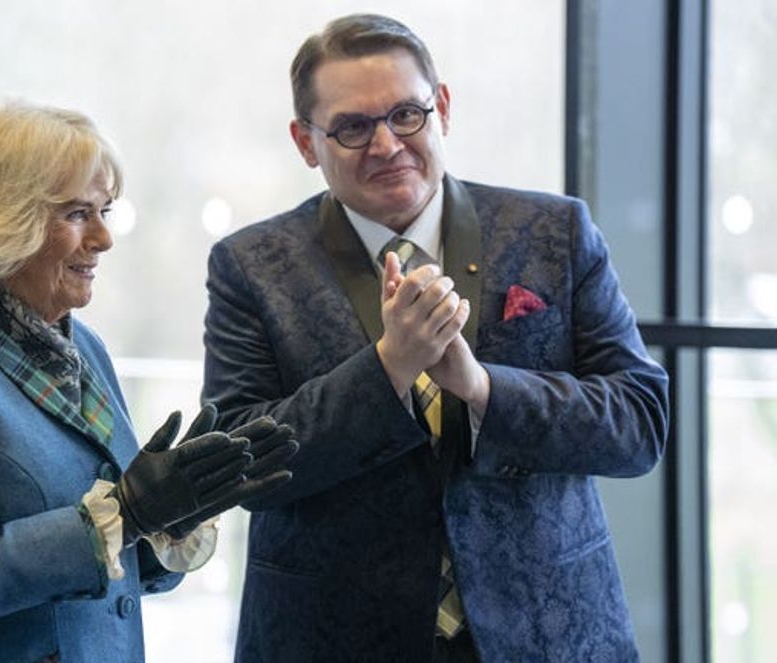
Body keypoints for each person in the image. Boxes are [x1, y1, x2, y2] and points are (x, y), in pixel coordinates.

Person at [202, 13, 669, 663]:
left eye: (406, 114)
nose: (387, 144)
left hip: (549, 628)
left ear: (442, 106)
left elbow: (640, 421)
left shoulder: (554, 231)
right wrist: (389, 367)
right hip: (333, 635)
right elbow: (239, 464)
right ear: (306, 142)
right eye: (353, 127)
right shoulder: (250, 265)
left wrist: (482, 388)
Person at [0, 103, 297, 663]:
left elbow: (119, 575)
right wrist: (124, 512)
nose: (106, 237)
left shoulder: (82, 347)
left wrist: (167, 519)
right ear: (5, 221)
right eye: (79, 214)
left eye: (105, 210)